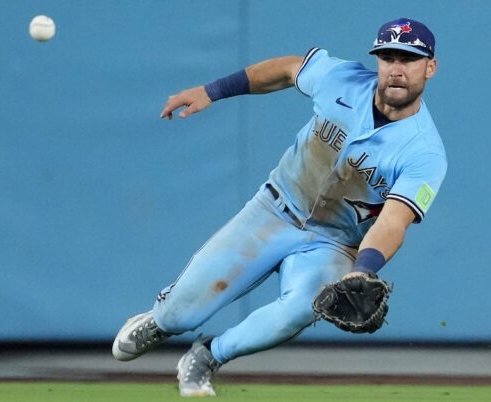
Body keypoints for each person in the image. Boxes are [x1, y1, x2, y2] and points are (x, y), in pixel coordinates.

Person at [112, 17, 447, 397]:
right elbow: (289, 69)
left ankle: (207, 356)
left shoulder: (425, 152)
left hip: (333, 243)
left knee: (304, 307)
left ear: (430, 67)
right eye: (388, 57)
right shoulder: (341, 80)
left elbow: (393, 223)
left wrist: (362, 271)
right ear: (378, 62)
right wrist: (214, 90)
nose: (397, 69)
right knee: (178, 315)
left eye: (409, 59)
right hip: (273, 211)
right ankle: (162, 321)